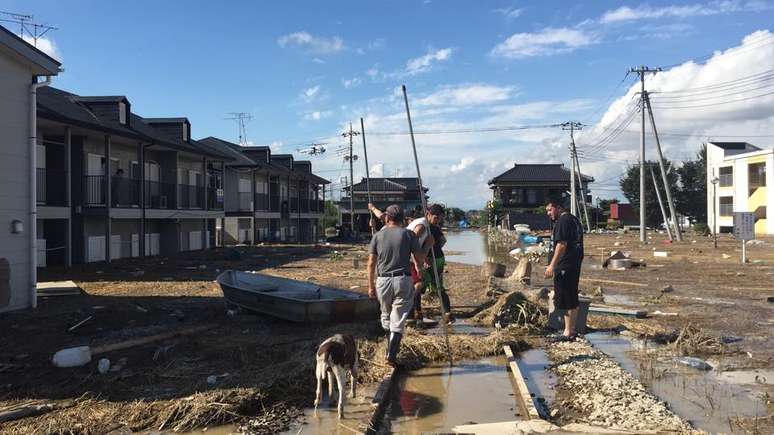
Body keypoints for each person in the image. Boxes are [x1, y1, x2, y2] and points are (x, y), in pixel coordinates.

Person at [367, 205, 425, 366]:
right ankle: (391, 355)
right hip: (402, 279)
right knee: (398, 318)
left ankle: (388, 347)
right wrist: (420, 270)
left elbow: (371, 263)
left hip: (383, 280)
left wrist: (370, 285)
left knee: (386, 314)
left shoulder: (378, 236)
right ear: (403, 219)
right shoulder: (409, 234)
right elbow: (418, 258)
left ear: (387, 217)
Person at [544, 198, 584, 341]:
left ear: (559, 208)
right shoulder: (574, 220)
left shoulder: (563, 221)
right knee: (573, 296)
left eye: (550, 209)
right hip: (574, 263)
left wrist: (552, 265)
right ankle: (571, 330)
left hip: (565, 265)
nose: (548, 213)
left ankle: (567, 332)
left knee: (566, 297)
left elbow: (561, 244)